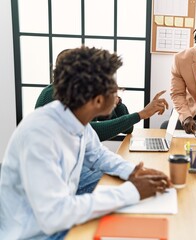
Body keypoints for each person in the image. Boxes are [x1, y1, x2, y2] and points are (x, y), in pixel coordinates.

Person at [0, 46, 171, 239]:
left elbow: (98, 154)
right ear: (98, 100)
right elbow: (54, 215)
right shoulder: (40, 135)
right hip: (36, 233)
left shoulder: (73, 117)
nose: (118, 91)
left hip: (57, 221)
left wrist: (132, 171)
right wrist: (132, 191)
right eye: (114, 88)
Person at [35, 78, 169, 142]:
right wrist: (141, 115)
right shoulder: (53, 96)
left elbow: (127, 129)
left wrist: (116, 102)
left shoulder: (81, 94)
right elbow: (91, 131)